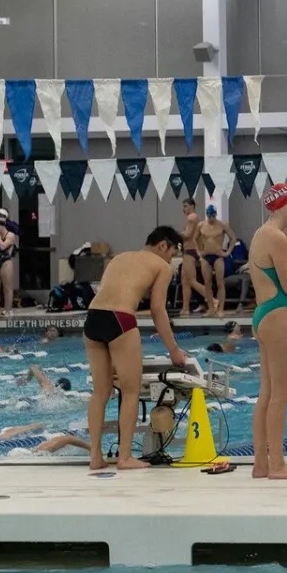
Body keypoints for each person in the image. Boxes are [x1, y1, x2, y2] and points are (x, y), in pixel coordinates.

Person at [81, 226, 192, 472]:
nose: (171, 259)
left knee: (100, 392)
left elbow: (107, 295)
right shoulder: (162, 266)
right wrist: (173, 349)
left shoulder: (118, 258)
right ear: (163, 245)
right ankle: (125, 457)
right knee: (131, 391)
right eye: (172, 252)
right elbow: (157, 310)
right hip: (120, 319)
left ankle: (96, 457)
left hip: (93, 317)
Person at [248, 183, 287, 481]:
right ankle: (278, 465)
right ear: (281, 205)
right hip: (279, 312)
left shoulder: (261, 234)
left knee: (267, 394)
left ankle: (261, 463)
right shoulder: (276, 237)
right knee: (280, 395)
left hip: (264, 314)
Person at [196, 205, 232, 317]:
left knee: (220, 282)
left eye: (212, 216)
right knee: (207, 283)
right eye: (209, 216)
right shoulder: (201, 225)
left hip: (218, 256)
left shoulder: (222, 225)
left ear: (215, 214)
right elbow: (194, 238)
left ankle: (221, 309)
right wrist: (199, 252)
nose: (211, 218)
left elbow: (233, 237)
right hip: (206, 257)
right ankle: (211, 309)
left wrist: (227, 252)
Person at [178, 197, 208, 315]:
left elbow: (188, 235)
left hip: (190, 251)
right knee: (185, 281)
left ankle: (213, 300)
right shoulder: (193, 218)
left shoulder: (192, 217)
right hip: (189, 251)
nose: (183, 209)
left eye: (185, 206)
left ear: (192, 206)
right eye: (183, 206)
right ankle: (185, 308)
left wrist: (176, 235)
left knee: (191, 281)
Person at [0, 210, 18, 314]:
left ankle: (8, 310)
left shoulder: (10, 235)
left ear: (1, 225)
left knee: (7, 288)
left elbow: (2, 246)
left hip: (6, 261)